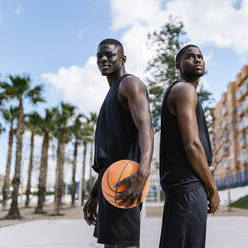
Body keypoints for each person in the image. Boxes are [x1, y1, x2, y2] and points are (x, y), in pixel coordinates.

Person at [83, 38, 153, 248]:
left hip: (126, 181)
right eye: (99, 56)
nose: (103, 59)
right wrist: (94, 194)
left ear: (123, 59)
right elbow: (111, 155)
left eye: (109, 55)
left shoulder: (130, 84)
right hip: (109, 181)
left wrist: (143, 172)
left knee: (125, 244)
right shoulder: (110, 94)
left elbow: (146, 128)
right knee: (112, 245)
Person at [159, 44, 220, 248]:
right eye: (190, 56)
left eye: (200, 56)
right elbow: (192, 145)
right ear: (178, 65)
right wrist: (212, 189)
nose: (197, 59)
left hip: (181, 189)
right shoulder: (184, 90)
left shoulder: (182, 92)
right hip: (188, 187)